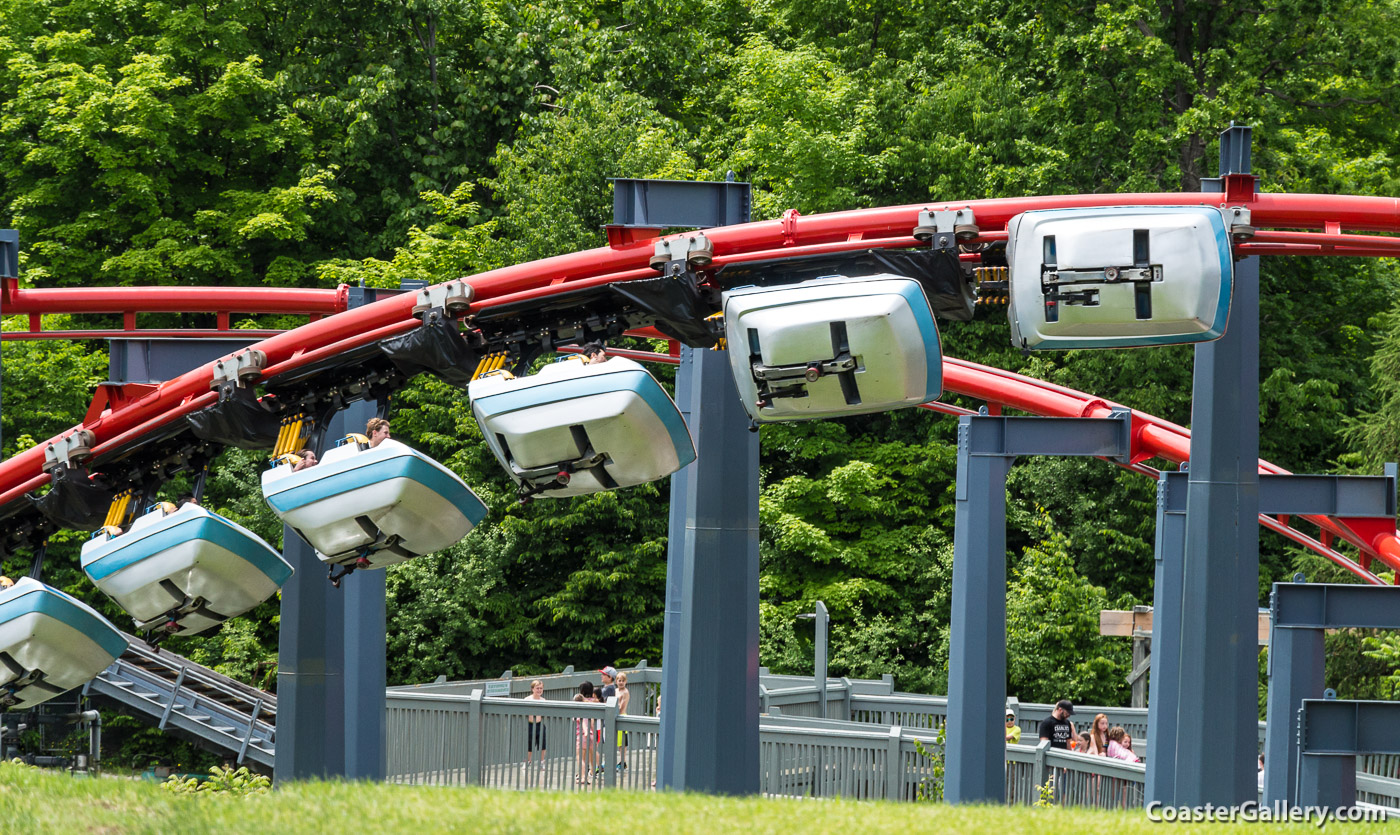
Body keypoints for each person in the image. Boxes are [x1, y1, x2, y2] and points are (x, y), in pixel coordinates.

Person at [573, 681, 598, 785]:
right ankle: (593, 771)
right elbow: (592, 722)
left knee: (580, 758)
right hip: (592, 734)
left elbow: (581, 720)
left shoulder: (580, 706)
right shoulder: (593, 702)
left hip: (582, 735)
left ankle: (583, 777)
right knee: (592, 754)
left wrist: (585, 731)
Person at [525, 679, 547, 775]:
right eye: (537, 688)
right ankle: (528, 761)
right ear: (532, 689)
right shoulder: (527, 699)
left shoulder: (543, 700)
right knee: (530, 745)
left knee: (542, 744)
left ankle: (542, 762)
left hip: (540, 724)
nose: (539, 690)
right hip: (530, 724)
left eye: (541, 688)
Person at [615, 671, 631, 771]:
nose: (621, 682)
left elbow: (622, 706)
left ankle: (623, 762)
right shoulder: (616, 691)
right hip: (615, 716)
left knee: (623, 743)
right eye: (619, 680)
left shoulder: (625, 692)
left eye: (623, 681)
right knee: (618, 742)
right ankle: (620, 761)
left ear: (626, 682)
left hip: (622, 716)